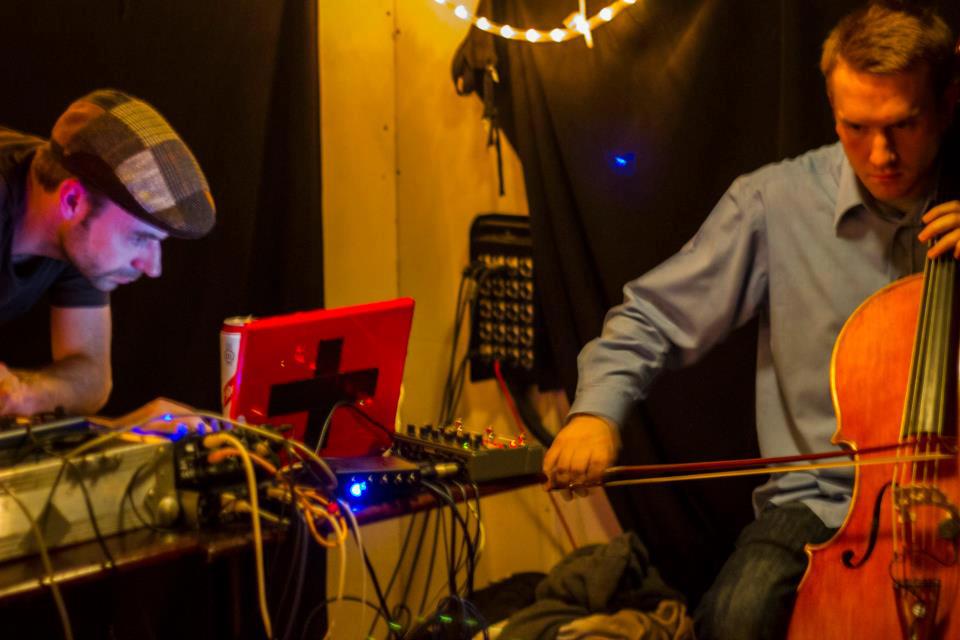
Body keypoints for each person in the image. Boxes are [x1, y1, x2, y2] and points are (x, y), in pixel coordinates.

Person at [542, 2, 960, 639]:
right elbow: (651, 316)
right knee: (736, 616)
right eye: (856, 127)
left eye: (905, 124)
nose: (881, 154)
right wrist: (596, 412)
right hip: (819, 502)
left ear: (948, 105)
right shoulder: (775, 201)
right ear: (831, 107)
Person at [0, 89, 215, 417]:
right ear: (72, 200)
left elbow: (92, 379)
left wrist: (20, 394)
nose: (152, 267)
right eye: (139, 238)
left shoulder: (76, 230)